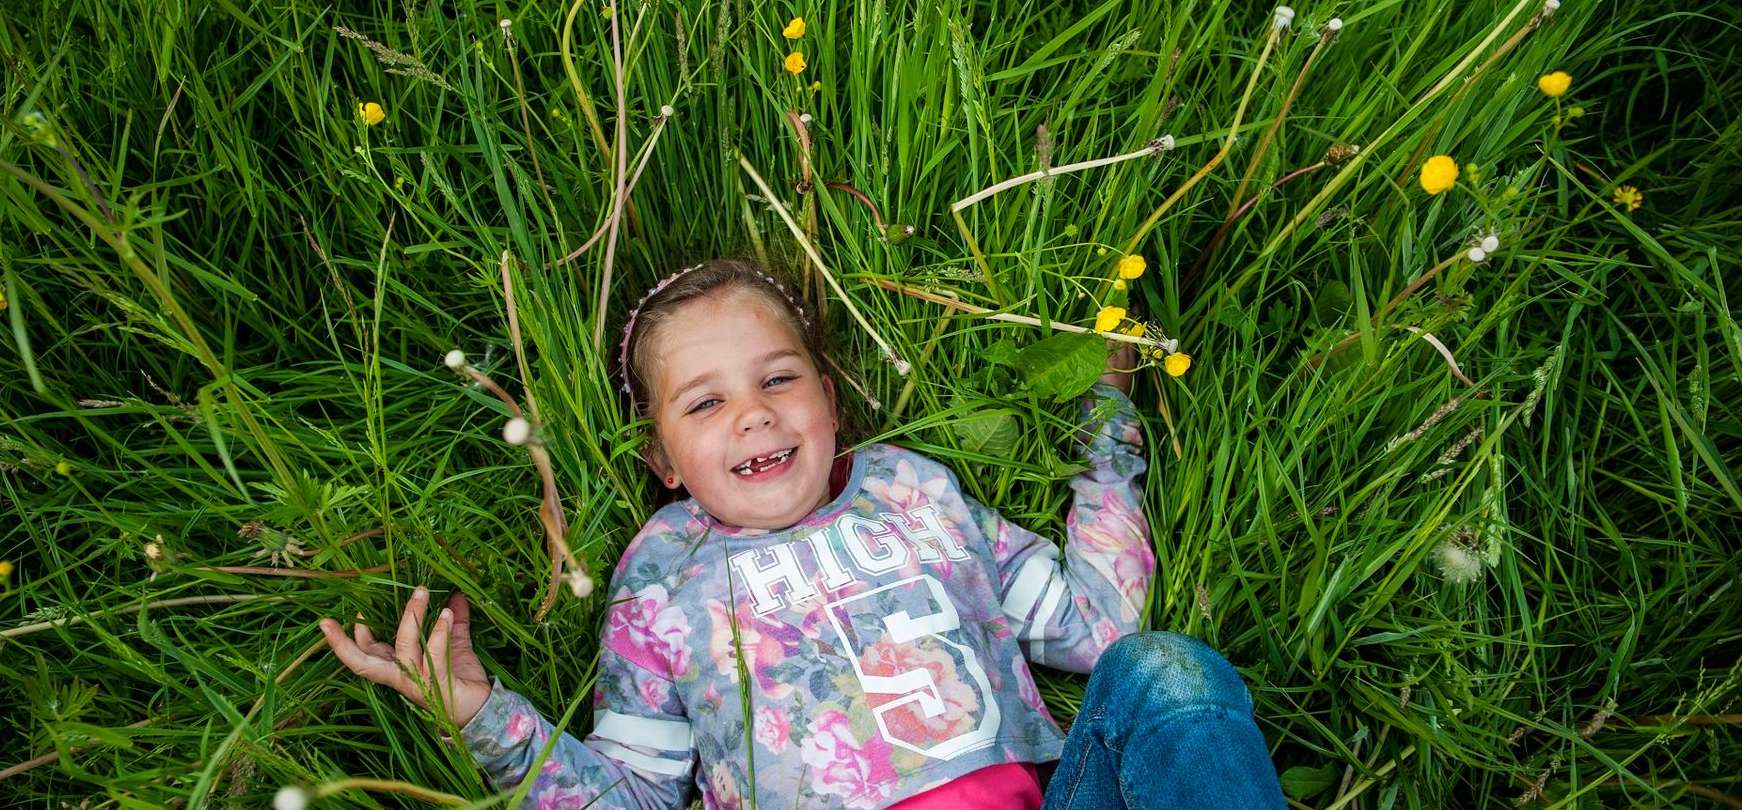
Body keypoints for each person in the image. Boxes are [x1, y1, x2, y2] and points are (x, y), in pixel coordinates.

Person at [318, 258, 1283, 809]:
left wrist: (1107, 430)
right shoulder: (661, 577)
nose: (753, 412)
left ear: (828, 400)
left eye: (778, 379)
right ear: (662, 460)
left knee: (1166, 671)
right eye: (705, 403)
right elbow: (636, 796)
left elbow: (1101, 629)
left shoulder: (914, 489)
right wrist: (481, 714)